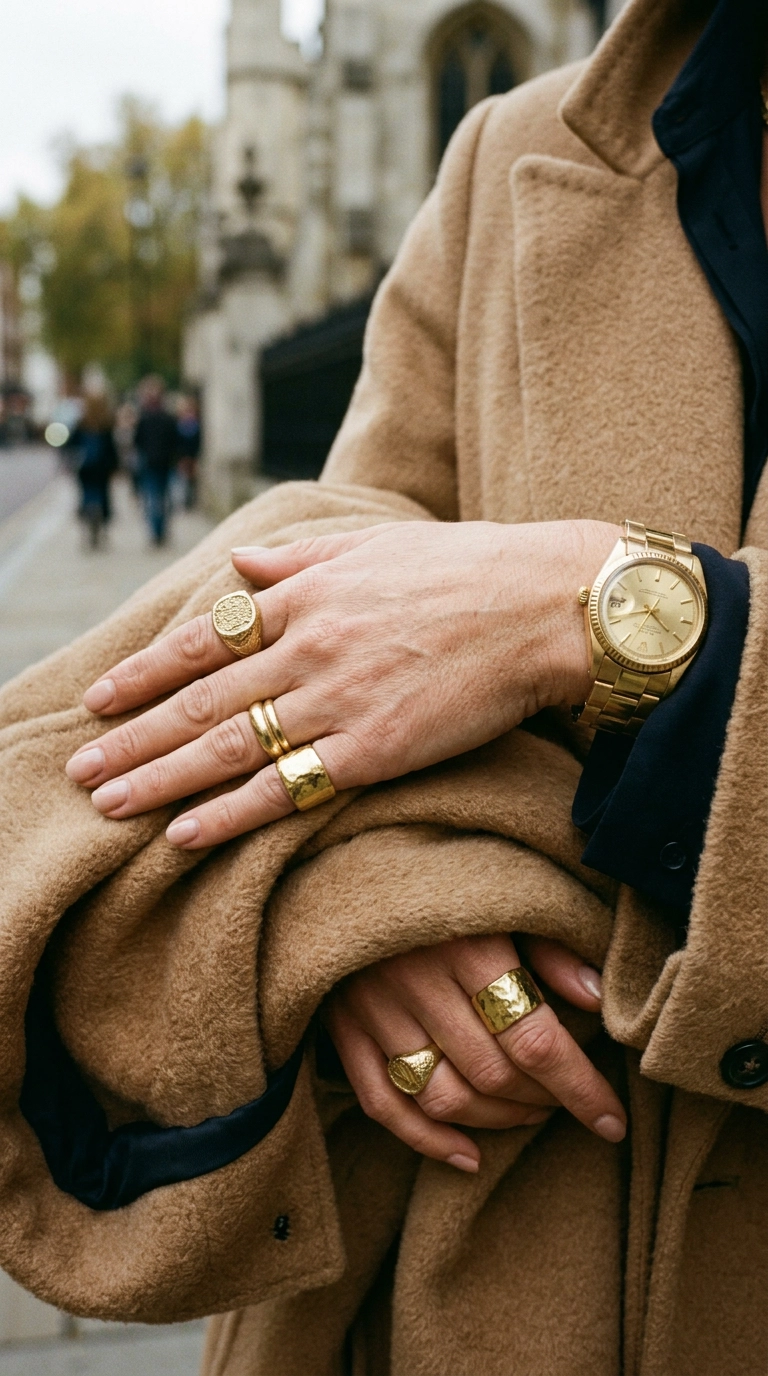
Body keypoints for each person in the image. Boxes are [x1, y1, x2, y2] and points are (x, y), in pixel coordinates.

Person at [3, 0, 768, 1369]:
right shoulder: (508, 156)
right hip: (480, 1276)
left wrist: (594, 613)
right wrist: (367, 903)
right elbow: (333, 597)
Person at [68, 392, 118, 549]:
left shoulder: (81, 423)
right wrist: (115, 466)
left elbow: (71, 445)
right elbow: (112, 448)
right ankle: (100, 523)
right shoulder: (106, 423)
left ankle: (87, 517)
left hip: (85, 467)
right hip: (102, 468)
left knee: (86, 494)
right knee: (102, 494)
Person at [134, 375, 178, 544]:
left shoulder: (144, 418)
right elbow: (175, 440)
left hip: (152, 463)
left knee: (153, 498)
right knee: (163, 497)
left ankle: (156, 530)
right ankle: (160, 529)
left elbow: (137, 441)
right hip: (163, 462)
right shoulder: (168, 418)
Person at [175, 394, 201, 510]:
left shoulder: (196, 424)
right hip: (183, 456)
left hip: (192, 456)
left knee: (191, 481)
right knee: (184, 480)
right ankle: (186, 501)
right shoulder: (180, 423)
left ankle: (190, 501)